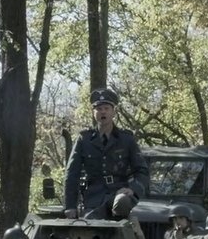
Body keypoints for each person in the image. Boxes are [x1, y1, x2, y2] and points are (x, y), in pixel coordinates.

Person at [63, 87, 150, 221]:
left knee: (123, 206)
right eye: (99, 109)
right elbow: (72, 174)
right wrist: (70, 206)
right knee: (89, 226)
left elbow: (142, 171)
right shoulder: (84, 140)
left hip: (119, 195)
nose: (102, 112)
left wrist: (132, 189)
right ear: (94, 113)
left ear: (113, 112)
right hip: (93, 199)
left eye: (106, 108)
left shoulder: (126, 139)